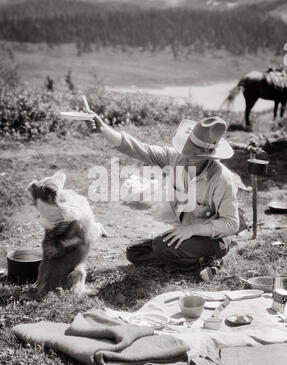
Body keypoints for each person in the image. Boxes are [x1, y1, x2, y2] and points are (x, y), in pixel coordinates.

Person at [86, 114, 239, 282]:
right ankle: (195, 261)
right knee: (134, 251)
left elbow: (232, 224)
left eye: (194, 155)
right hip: (185, 234)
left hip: (213, 239)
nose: (187, 157)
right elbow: (140, 149)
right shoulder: (175, 158)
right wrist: (104, 129)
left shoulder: (222, 178)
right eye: (186, 150)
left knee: (161, 246)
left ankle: (202, 265)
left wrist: (191, 230)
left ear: (209, 157)